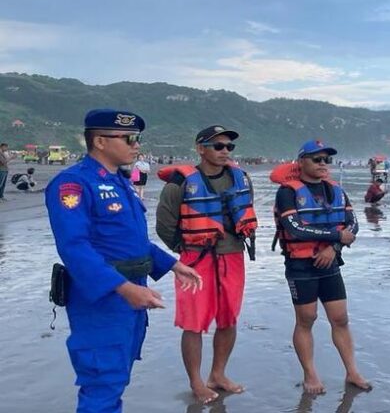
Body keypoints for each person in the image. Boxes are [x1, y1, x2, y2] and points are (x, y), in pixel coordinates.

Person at [45, 109, 203, 413]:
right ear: (101, 141)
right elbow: (74, 247)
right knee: (102, 380)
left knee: (118, 376)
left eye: (137, 138)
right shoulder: (74, 184)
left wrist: (171, 264)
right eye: (129, 138)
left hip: (131, 291)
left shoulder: (120, 182)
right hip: (102, 298)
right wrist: (123, 288)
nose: (136, 145)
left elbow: (129, 241)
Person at [155, 125, 258, 404]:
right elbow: (165, 226)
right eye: (218, 146)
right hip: (195, 260)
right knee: (193, 323)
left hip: (233, 256)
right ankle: (197, 382)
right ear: (201, 149)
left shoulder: (241, 178)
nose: (225, 151)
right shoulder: (180, 183)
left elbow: (247, 211)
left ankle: (218, 374)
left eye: (229, 147)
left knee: (229, 318)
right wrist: (187, 248)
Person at [271, 140, 371, 394]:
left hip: (330, 263)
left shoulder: (336, 190)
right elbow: (295, 228)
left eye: (327, 160)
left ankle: (352, 372)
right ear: (301, 161)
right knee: (307, 319)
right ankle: (311, 375)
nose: (323, 164)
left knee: (340, 318)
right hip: (301, 265)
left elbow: (352, 224)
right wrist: (336, 239)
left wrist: (333, 249)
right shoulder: (287, 193)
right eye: (317, 160)